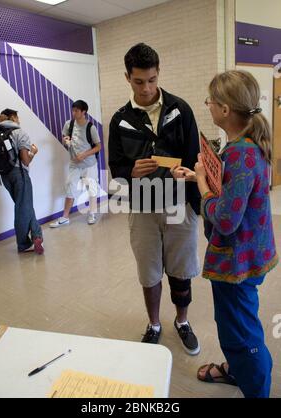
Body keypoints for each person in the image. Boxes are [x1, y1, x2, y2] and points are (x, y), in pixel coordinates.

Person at [172, 70, 278, 397]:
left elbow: (226, 219)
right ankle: (238, 370)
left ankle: (255, 387)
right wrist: (197, 176)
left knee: (239, 335)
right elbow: (232, 190)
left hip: (236, 262)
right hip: (249, 254)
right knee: (241, 321)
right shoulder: (244, 145)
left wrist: (202, 182)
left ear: (225, 110)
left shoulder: (241, 153)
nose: (208, 106)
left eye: (211, 101)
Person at [108, 43, 201, 354]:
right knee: (148, 271)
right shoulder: (120, 119)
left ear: (158, 73)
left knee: (181, 268)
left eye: (151, 80)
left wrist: (190, 185)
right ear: (127, 78)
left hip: (178, 205)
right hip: (142, 205)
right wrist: (130, 172)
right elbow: (116, 168)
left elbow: (194, 157)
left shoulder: (180, 109)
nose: (146, 88)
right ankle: (154, 324)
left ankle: (182, 321)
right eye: (138, 81)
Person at [0, 109, 44, 254]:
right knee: (23, 207)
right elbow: (25, 161)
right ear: (13, 117)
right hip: (20, 174)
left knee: (24, 206)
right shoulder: (20, 133)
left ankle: (36, 235)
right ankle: (23, 244)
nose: (19, 120)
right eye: (18, 117)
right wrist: (33, 152)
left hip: (4, 175)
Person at [50, 100, 101, 227]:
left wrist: (84, 154)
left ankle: (92, 214)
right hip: (74, 164)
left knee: (91, 189)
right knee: (70, 187)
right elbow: (65, 136)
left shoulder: (91, 127)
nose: (73, 113)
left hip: (89, 164)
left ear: (84, 112)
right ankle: (65, 217)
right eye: (73, 110)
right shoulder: (69, 124)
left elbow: (98, 146)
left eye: (76, 111)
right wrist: (66, 140)